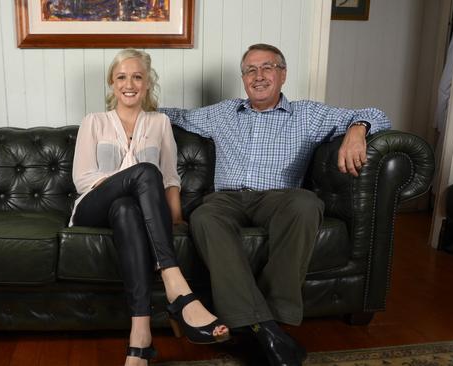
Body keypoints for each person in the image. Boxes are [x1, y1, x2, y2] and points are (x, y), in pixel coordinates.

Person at [160, 43, 391, 366]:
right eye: (250, 70)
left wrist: (357, 130)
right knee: (203, 217)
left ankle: (267, 317)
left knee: (306, 203)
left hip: (279, 198)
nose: (258, 76)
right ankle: (266, 327)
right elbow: (174, 116)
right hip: (226, 199)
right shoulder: (222, 112)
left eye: (267, 67)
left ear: (282, 74)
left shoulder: (308, 114)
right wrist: (129, 112)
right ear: (243, 79)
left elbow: (375, 114)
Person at [71, 48, 230, 366]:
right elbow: (83, 178)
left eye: (137, 76)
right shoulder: (94, 121)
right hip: (92, 209)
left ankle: (140, 340)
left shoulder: (160, 123)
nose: (129, 83)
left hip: (126, 213)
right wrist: (129, 179)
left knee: (128, 209)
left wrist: (175, 215)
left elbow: (171, 178)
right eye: (121, 77)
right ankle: (176, 286)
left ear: (147, 84)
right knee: (145, 173)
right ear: (112, 83)